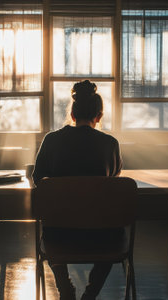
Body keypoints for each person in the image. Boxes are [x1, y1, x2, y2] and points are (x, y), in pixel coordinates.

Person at [32, 80, 123, 300]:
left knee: (50, 225)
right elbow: (114, 179)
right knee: (117, 231)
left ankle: (65, 287)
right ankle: (90, 294)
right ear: (99, 116)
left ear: (72, 114)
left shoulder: (51, 140)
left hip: (59, 236)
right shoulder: (110, 143)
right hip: (101, 237)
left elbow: (38, 180)